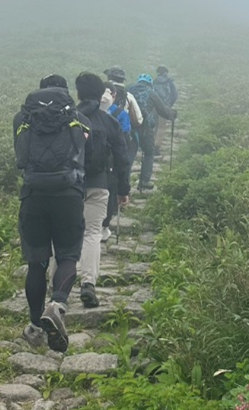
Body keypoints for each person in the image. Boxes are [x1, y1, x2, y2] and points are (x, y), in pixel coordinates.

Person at [13, 74, 90, 352]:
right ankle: (57, 304)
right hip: (68, 194)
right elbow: (85, 155)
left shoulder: (21, 119)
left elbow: (19, 158)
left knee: (37, 263)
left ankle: (35, 327)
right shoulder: (78, 118)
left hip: (33, 195)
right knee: (68, 255)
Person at [74, 72, 129, 308]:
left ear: (78, 93)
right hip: (98, 184)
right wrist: (123, 190)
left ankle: (57, 285)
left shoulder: (69, 117)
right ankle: (88, 283)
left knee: (65, 234)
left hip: (69, 185)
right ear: (102, 94)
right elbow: (122, 158)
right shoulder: (109, 122)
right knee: (93, 232)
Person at [100, 81, 142, 242]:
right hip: (112, 161)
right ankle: (105, 225)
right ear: (114, 95)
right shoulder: (120, 114)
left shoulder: (86, 113)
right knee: (110, 191)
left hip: (93, 163)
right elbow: (124, 138)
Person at [128, 73, 177, 192]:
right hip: (146, 128)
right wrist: (172, 115)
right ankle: (144, 181)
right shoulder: (151, 93)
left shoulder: (128, 90)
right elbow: (163, 111)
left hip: (129, 128)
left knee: (129, 155)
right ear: (149, 84)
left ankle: (124, 181)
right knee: (149, 152)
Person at [153, 65, 179, 156]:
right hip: (164, 107)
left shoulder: (154, 82)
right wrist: (169, 105)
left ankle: (151, 144)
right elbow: (175, 95)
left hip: (154, 107)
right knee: (161, 127)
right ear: (166, 73)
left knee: (154, 126)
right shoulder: (170, 82)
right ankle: (156, 147)